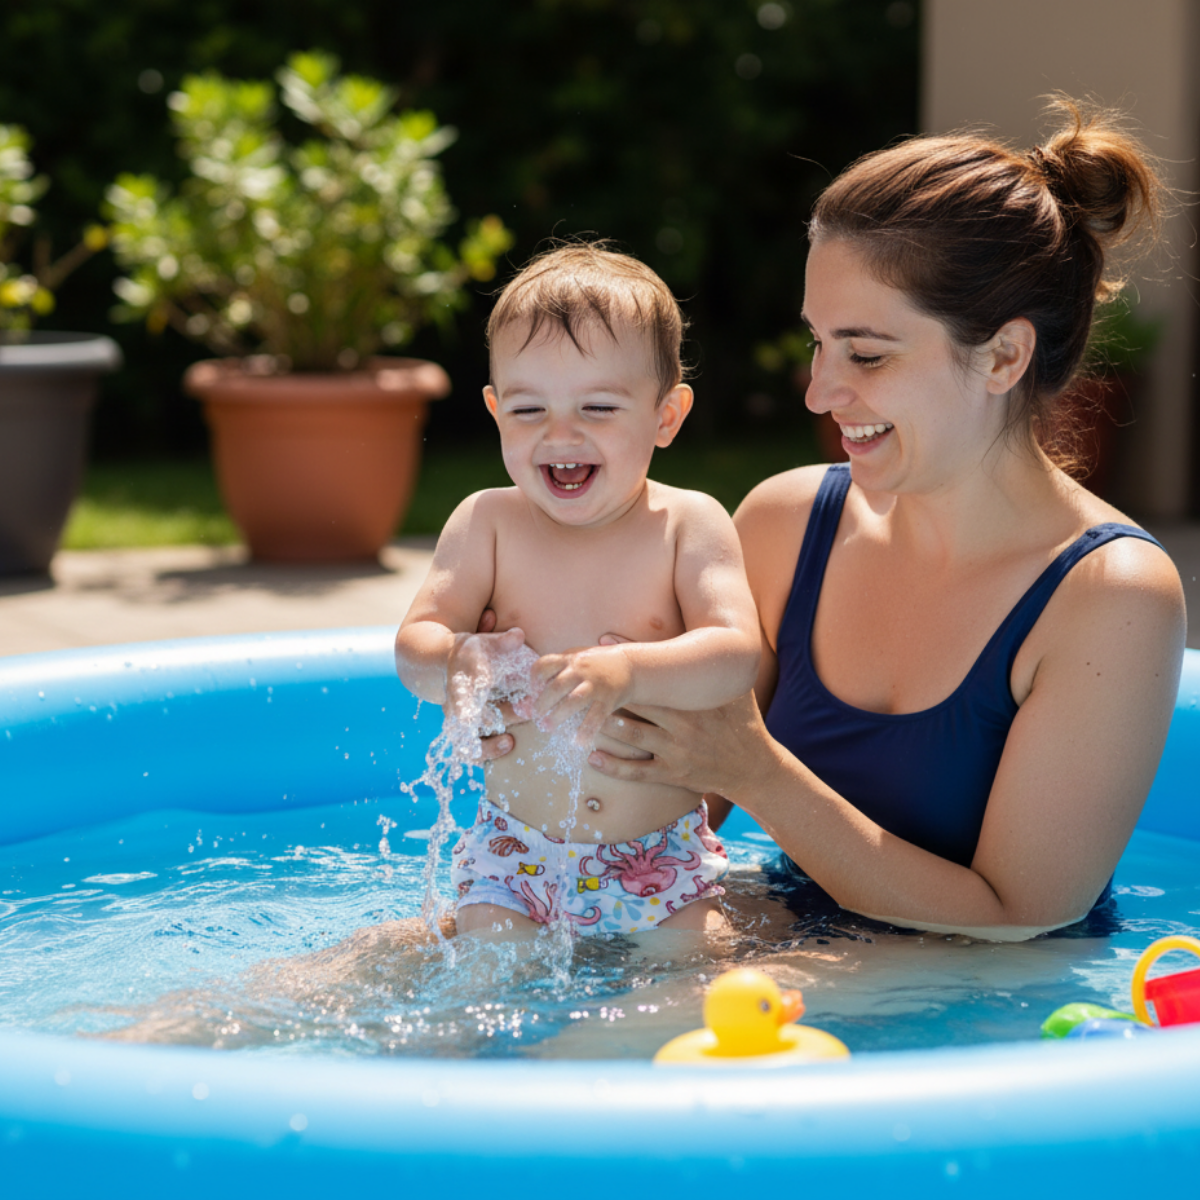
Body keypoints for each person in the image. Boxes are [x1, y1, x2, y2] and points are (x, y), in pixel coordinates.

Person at [489, 100, 1187, 942]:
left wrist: (761, 773)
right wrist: (534, 719)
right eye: (818, 343)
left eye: (867, 353)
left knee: (591, 1054)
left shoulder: (1109, 595)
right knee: (371, 977)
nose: (820, 391)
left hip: (983, 990)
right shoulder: (788, 525)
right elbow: (675, 800)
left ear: (1004, 355)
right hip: (791, 928)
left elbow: (1023, 918)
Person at [394, 243, 761, 937]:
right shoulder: (487, 522)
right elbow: (416, 643)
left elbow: (737, 653)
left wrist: (630, 670)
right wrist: (454, 662)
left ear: (666, 416)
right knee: (485, 970)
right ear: (496, 411)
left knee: (693, 968)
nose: (562, 433)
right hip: (516, 856)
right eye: (529, 410)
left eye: (597, 406)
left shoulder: (688, 523)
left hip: (662, 858)